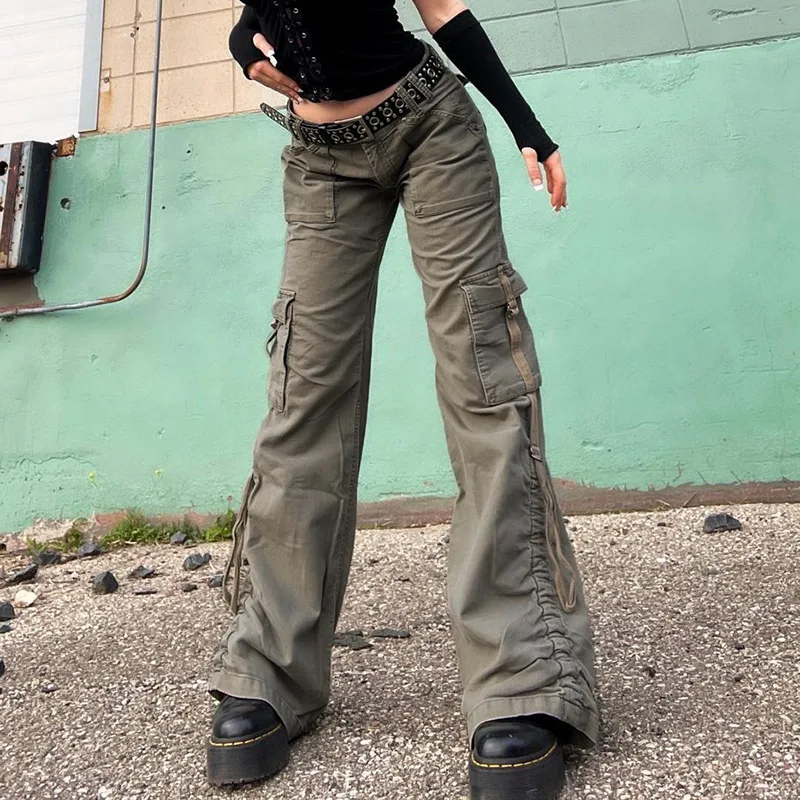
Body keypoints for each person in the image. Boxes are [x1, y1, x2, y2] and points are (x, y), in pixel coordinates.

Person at [207, 1, 599, 797]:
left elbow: (443, 11)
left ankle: (524, 677)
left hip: (428, 127)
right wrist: (241, 41)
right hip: (319, 155)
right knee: (301, 392)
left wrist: (528, 126)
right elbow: (258, 13)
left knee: (483, 375)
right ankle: (271, 667)